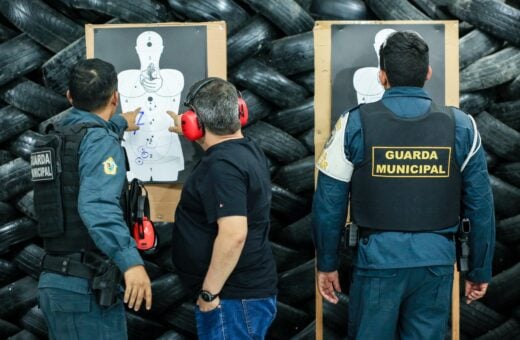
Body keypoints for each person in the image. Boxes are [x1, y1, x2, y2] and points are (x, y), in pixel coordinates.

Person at [313, 31, 495, 339]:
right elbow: (480, 205)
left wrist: (327, 264)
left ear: (382, 76)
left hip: (378, 261)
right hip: (436, 262)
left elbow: (329, 202)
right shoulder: (462, 126)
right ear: (427, 73)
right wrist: (480, 270)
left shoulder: (354, 123)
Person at [36, 58, 152, 339]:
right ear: (116, 97)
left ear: (69, 97)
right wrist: (131, 262)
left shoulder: (55, 138)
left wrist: (120, 122)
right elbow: (96, 205)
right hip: (84, 287)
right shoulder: (98, 141)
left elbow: (87, 137)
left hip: (57, 282)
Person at [168, 77, 278, 340]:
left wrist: (209, 293)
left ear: (195, 124)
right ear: (240, 111)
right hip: (242, 296)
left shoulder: (222, 167)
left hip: (230, 299)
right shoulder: (246, 150)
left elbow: (233, 234)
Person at [118, 30, 185, 182]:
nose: (149, 51)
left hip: (168, 152)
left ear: (161, 49)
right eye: (146, 46)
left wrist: (157, 81)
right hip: (134, 154)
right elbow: (129, 89)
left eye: (153, 46)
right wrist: (142, 80)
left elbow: (170, 87)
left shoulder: (174, 77)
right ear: (137, 49)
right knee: (132, 195)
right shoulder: (125, 78)